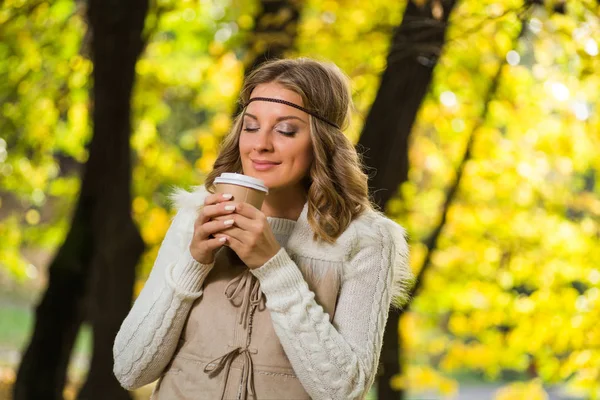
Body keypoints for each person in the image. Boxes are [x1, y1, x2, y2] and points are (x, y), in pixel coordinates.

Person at [113, 58, 412, 400]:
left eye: (285, 130)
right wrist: (194, 262)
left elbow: (342, 391)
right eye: (251, 126)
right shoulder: (196, 217)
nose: (261, 144)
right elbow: (130, 369)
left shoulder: (365, 240)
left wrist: (273, 266)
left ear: (322, 141)